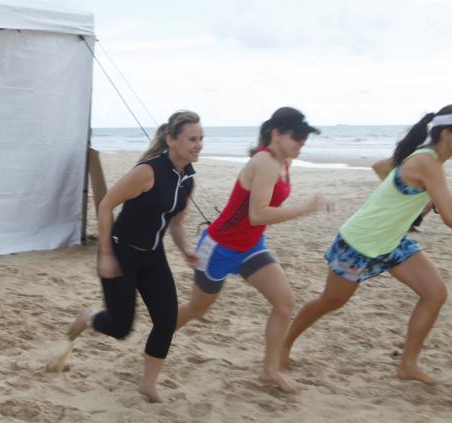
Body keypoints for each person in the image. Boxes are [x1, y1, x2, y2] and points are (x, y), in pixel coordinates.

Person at [282, 105, 452, 385]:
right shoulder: (427, 162)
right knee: (331, 301)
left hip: (392, 240)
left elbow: (381, 167)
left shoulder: (424, 157)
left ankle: (408, 365)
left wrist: (405, 201)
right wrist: (418, 200)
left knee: (435, 293)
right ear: (446, 134)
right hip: (359, 242)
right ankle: (283, 345)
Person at [175, 107, 328, 393]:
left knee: (284, 302)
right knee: (198, 308)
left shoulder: (283, 161)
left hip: (250, 246)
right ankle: (160, 333)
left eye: (304, 139)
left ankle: (270, 371)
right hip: (218, 247)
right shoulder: (265, 161)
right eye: (297, 137)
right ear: (277, 133)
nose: (301, 143)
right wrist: (305, 209)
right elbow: (258, 215)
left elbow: (256, 220)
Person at [65, 110, 203, 403]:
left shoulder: (187, 180)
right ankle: (88, 317)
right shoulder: (148, 172)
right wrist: (105, 253)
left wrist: (186, 250)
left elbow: (176, 223)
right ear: (171, 139)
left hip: (153, 256)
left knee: (166, 320)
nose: (198, 144)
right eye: (192, 139)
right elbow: (106, 205)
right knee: (120, 328)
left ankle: (148, 385)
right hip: (121, 253)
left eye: (201, 139)